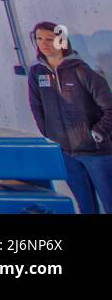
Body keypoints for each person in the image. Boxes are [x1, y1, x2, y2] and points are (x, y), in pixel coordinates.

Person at [27, 21, 112, 214]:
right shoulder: (37, 73)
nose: (44, 44)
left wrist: (96, 134)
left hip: (95, 153)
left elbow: (110, 108)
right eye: (39, 39)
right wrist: (50, 133)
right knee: (86, 207)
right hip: (66, 152)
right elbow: (36, 106)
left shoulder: (82, 71)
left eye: (49, 39)